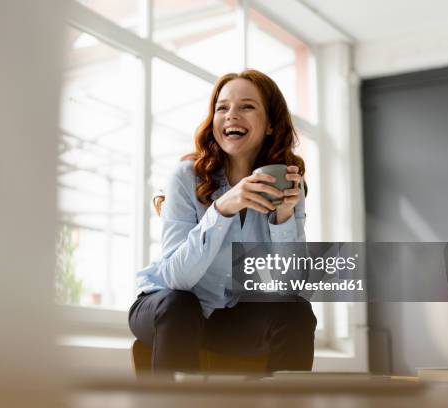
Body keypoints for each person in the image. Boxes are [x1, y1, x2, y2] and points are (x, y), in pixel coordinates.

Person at [128, 69, 316, 375]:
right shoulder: (186, 177)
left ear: (270, 125)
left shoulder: (288, 185)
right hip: (166, 309)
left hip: (229, 317)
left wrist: (283, 219)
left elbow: (291, 287)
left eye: (247, 106)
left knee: (296, 312)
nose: (231, 115)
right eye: (222, 107)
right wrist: (222, 209)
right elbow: (176, 279)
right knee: (180, 305)